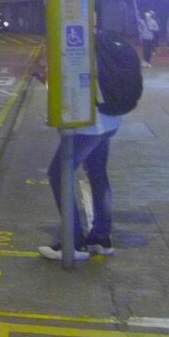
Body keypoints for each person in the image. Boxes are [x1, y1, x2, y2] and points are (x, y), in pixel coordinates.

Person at [38, 105, 121, 262]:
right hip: (109, 120)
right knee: (98, 173)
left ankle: (73, 244)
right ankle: (101, 239)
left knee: (59, 174)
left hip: (87, 124)